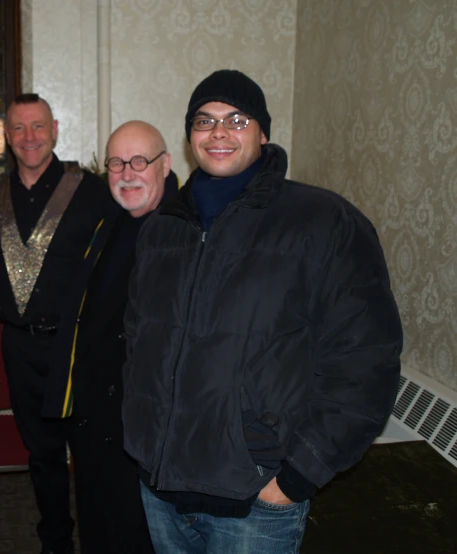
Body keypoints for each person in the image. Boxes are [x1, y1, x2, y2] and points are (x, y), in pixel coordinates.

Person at [121, 70, 403, 554]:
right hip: (161, 491)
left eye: (237, 119)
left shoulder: (323, 222)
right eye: (204, 121)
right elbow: (139, 343)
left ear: (262, 131)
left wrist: (297, 476)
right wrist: (144, 447)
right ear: (190, 136)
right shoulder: (162, 229)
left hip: (255, 502)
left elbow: (366, 360)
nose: (219, 133)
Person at [0, 93, 111, 554]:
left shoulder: (93, 191)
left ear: (54, 129)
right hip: (21, 349)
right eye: (17, 128)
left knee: (92, 455)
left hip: (79, 348)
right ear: (5, 137)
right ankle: (55, 542)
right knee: (42, 455)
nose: (28, 137)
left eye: (37, 126)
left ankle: (97, 540)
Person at [43, 120, 177, 553]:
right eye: (116, 163)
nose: (127, 172)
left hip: (146, 428)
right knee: (100, 532)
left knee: (140, 539)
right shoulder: (112, 221)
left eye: (140, 160)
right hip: (97, 420)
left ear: (166, 165)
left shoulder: (185, 232)